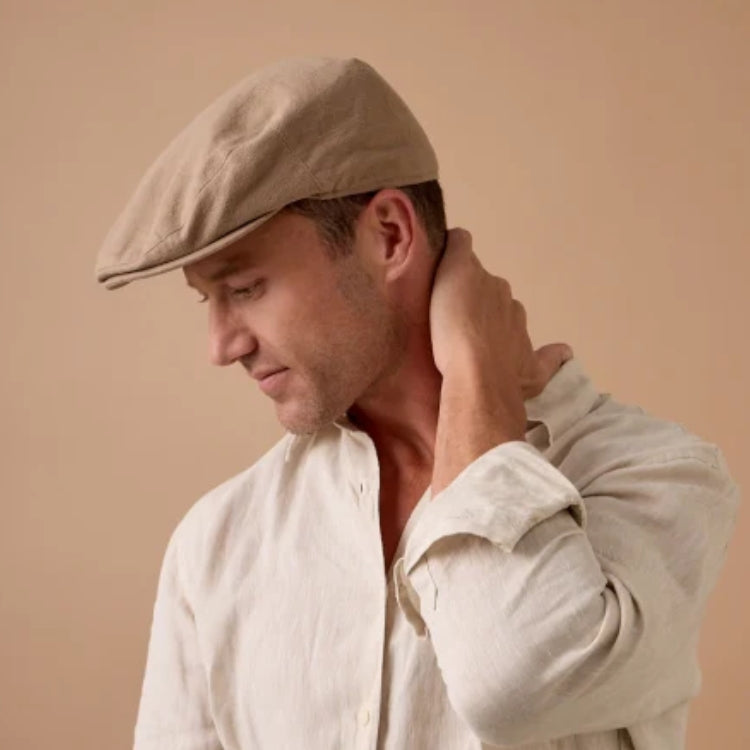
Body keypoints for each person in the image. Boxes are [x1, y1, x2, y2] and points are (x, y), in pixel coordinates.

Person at [95, 57, 740, 750]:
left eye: (246, 288)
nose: (221, 346)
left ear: (390, 235)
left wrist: (474, 372)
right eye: (208, 300)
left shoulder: (656, 478)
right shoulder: (217, 542)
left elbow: (513, 685)